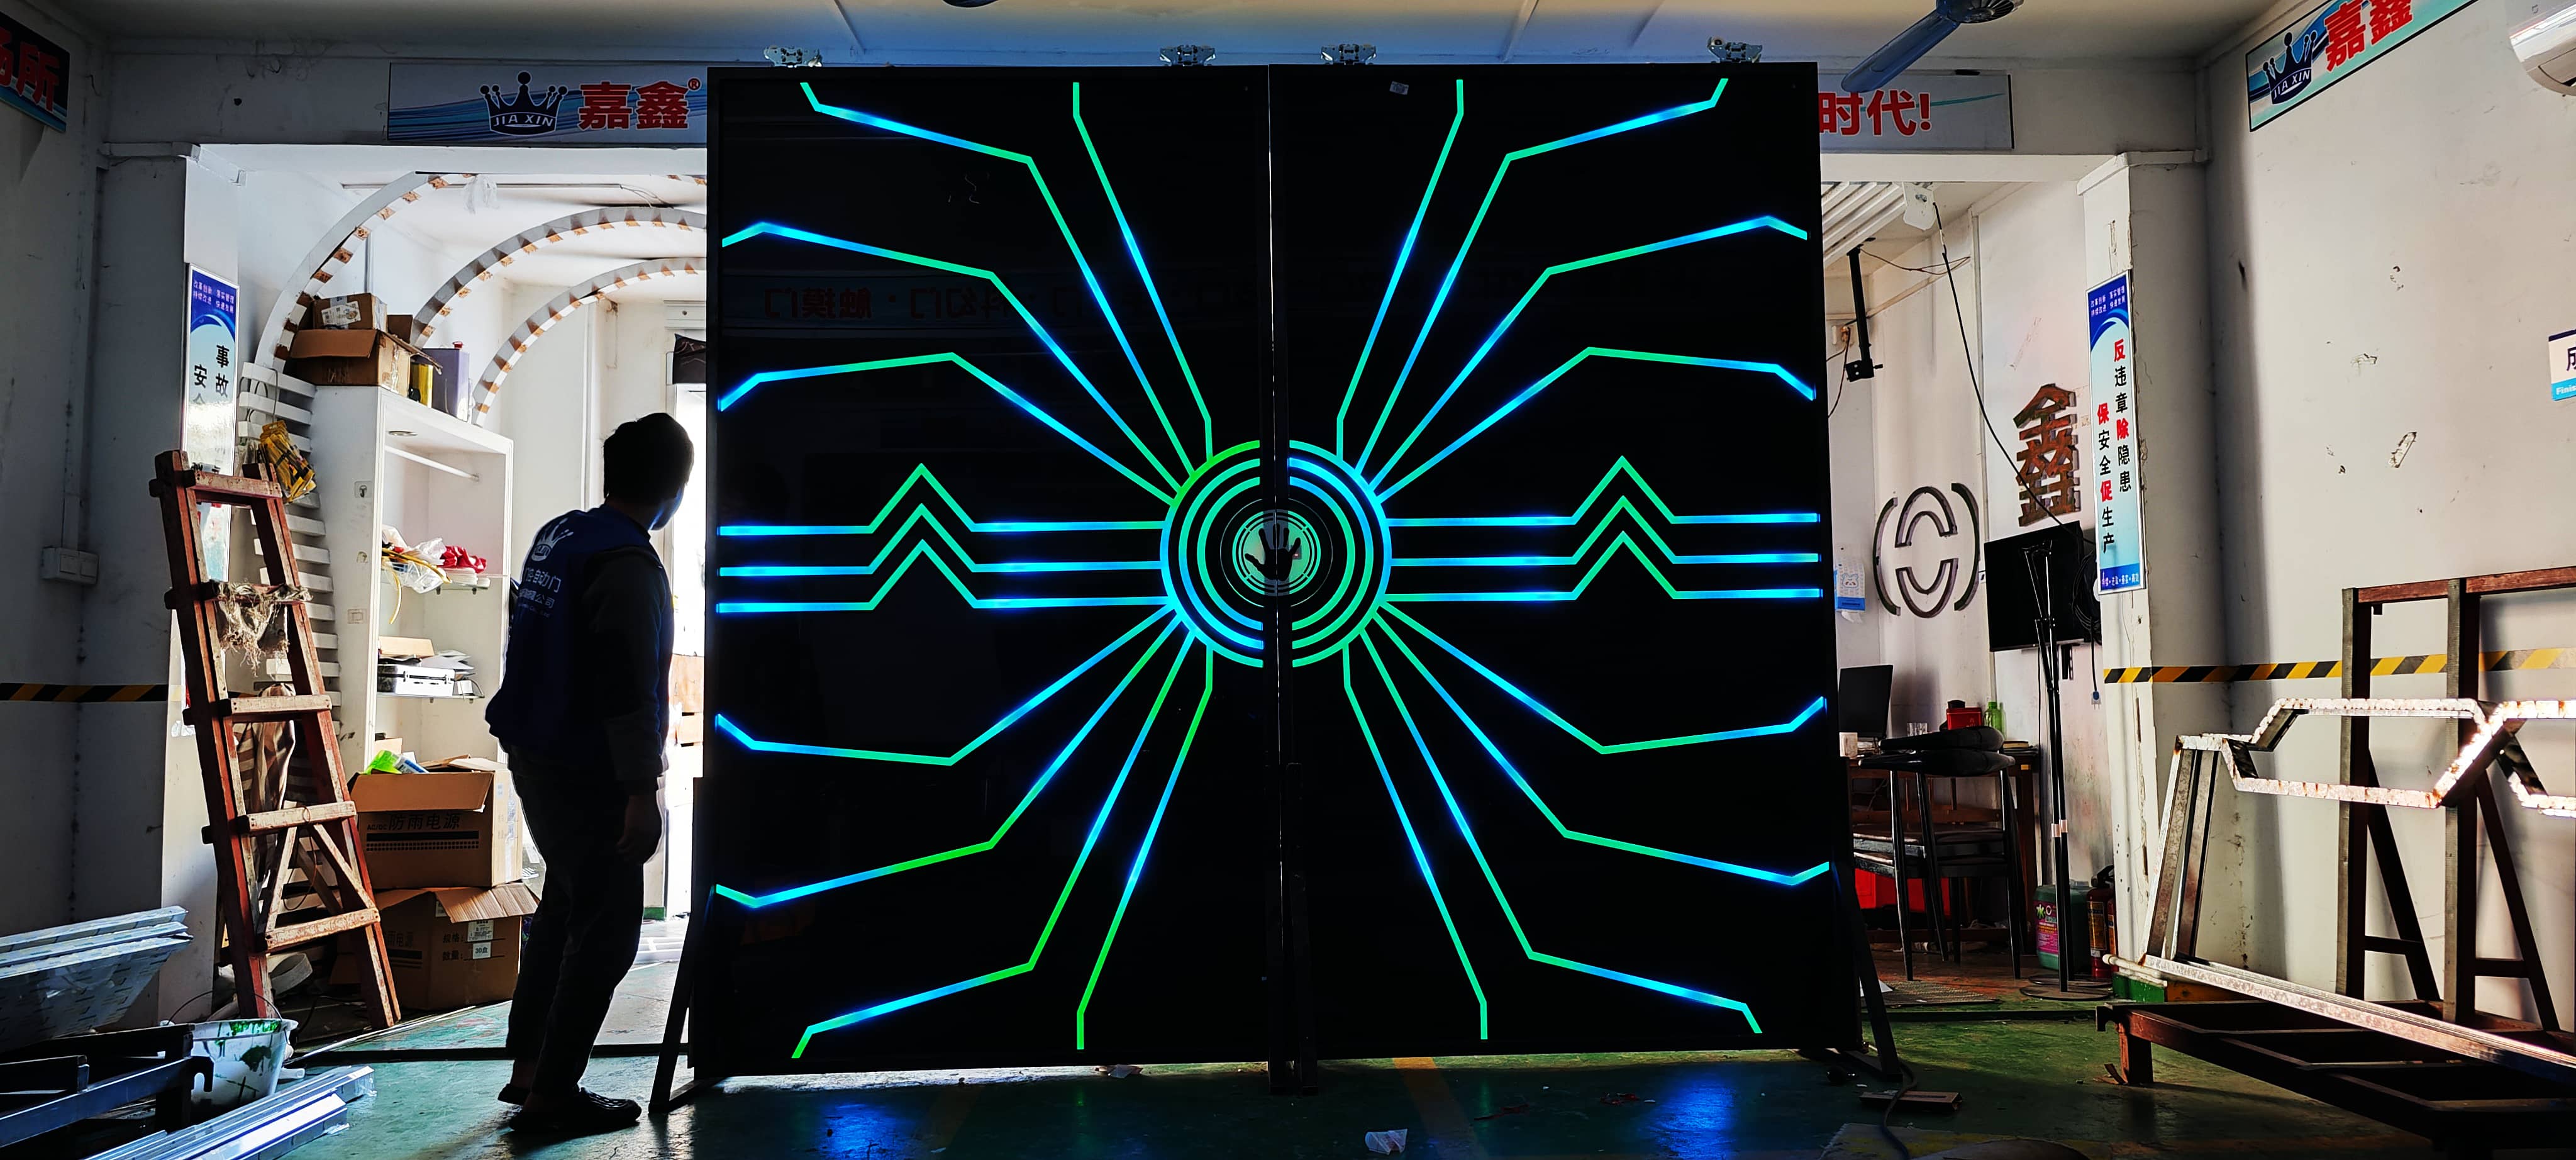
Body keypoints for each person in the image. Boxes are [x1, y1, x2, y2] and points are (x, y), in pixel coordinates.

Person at [483, 413, 691, 1134]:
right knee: (608, 929)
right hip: (585, 766)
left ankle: (531, 1069)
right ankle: (553, 1094)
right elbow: (627, 688)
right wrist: (642, 791)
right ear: (675, 489)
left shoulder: (562, 534)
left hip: (536, 748)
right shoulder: (628, 564)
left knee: (565, 908)